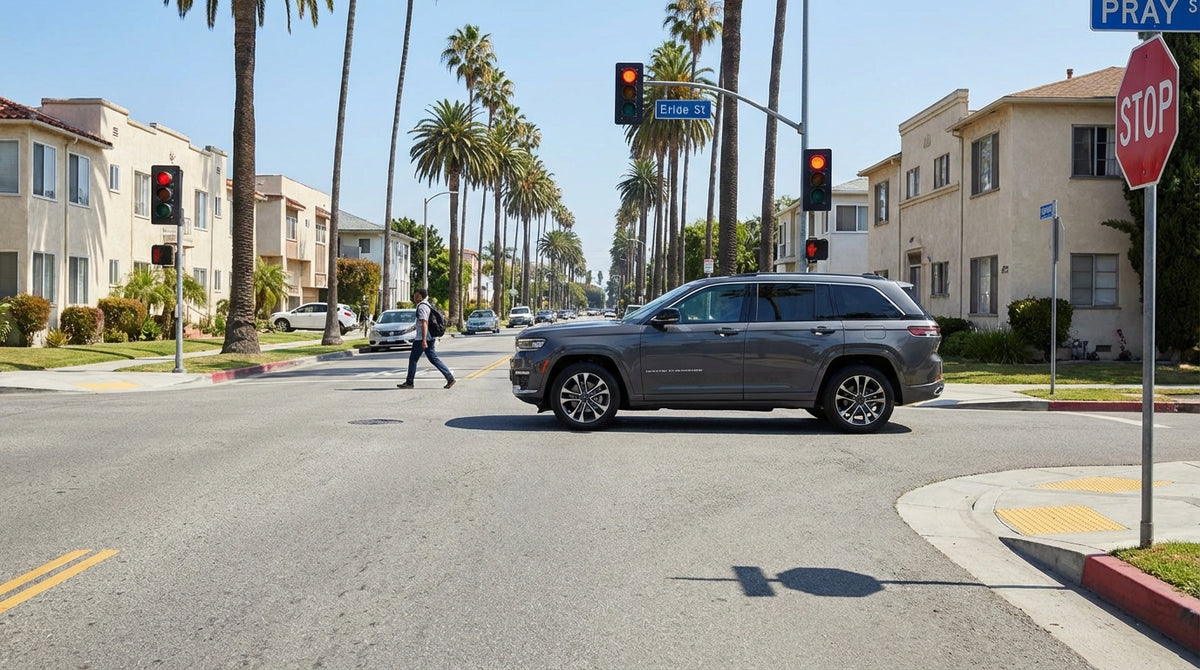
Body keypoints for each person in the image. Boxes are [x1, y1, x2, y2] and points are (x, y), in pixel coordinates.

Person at [397, 288, 455, 389]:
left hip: (422, 339)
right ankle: (449, 377)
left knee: (413, 359)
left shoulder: (422, 307)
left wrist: (423, 340)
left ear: (420, 296)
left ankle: (409, 382)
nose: (414, 296)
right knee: (433, 359)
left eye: (416, 294)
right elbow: (420, 323)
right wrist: (409, 329)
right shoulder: (426, 305)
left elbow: (424, 323)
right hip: (428, 337)